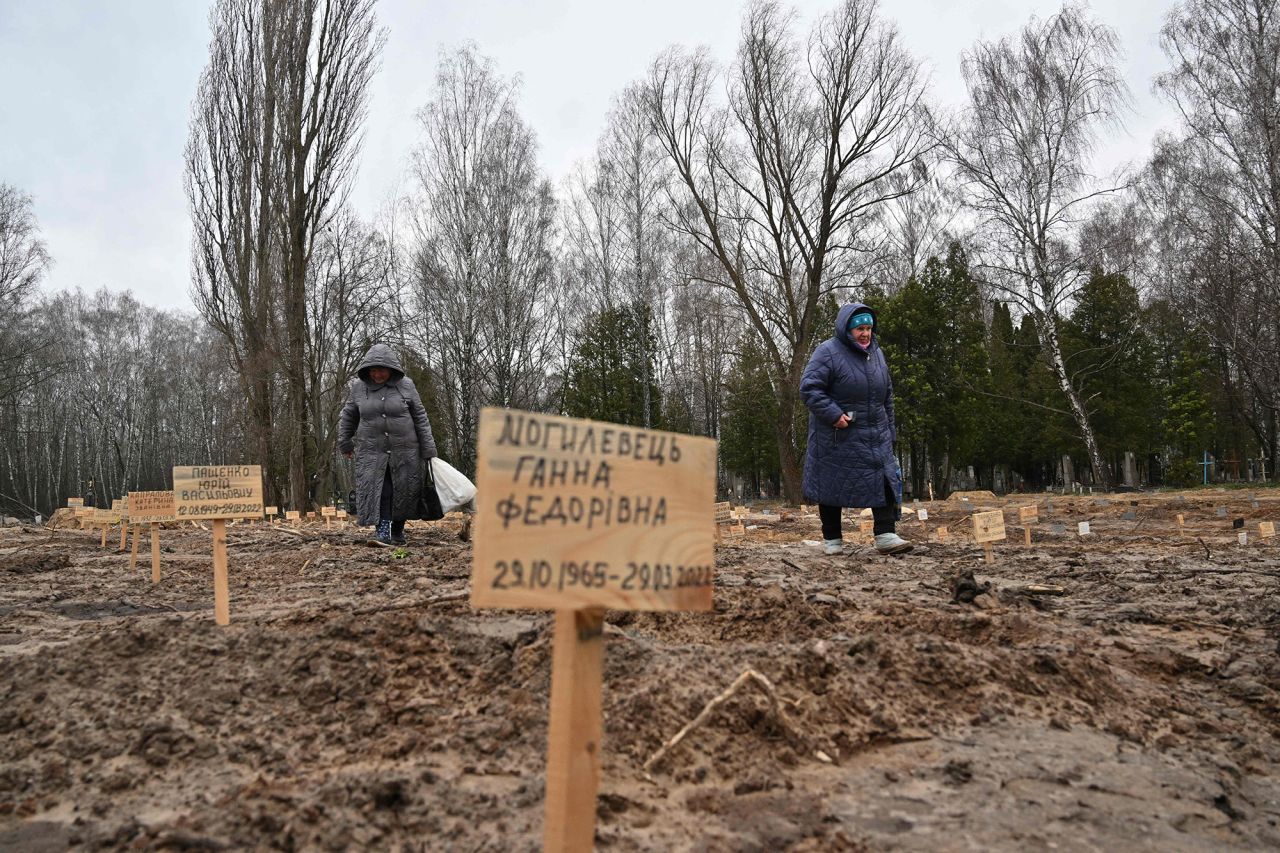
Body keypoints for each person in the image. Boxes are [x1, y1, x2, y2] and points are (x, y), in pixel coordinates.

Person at [800, 302, 912, 556]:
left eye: (869, 328)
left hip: (876, 434)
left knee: (884, 480)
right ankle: (832, 540)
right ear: (847, 329)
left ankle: (885, 535)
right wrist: (834, 414)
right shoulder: (827, 352)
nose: (865, 333)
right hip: (837, 434)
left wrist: (890, 432)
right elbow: (809, 388)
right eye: (860, 328)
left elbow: (888, 396)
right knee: (831, 485)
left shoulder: (877, 353)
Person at [337, 344, 437, 546]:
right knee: (381, 491)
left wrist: (428, 449)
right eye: (373, 370)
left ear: (391, 369)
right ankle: (382, 531)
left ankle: (398, 531)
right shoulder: (358, 387)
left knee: (405, 490)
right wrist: (345, 442)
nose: (377, 374)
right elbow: (349, 414)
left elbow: (420, 416)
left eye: (381, 370)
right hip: (372, 450)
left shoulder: (406, 385)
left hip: (406, 449)